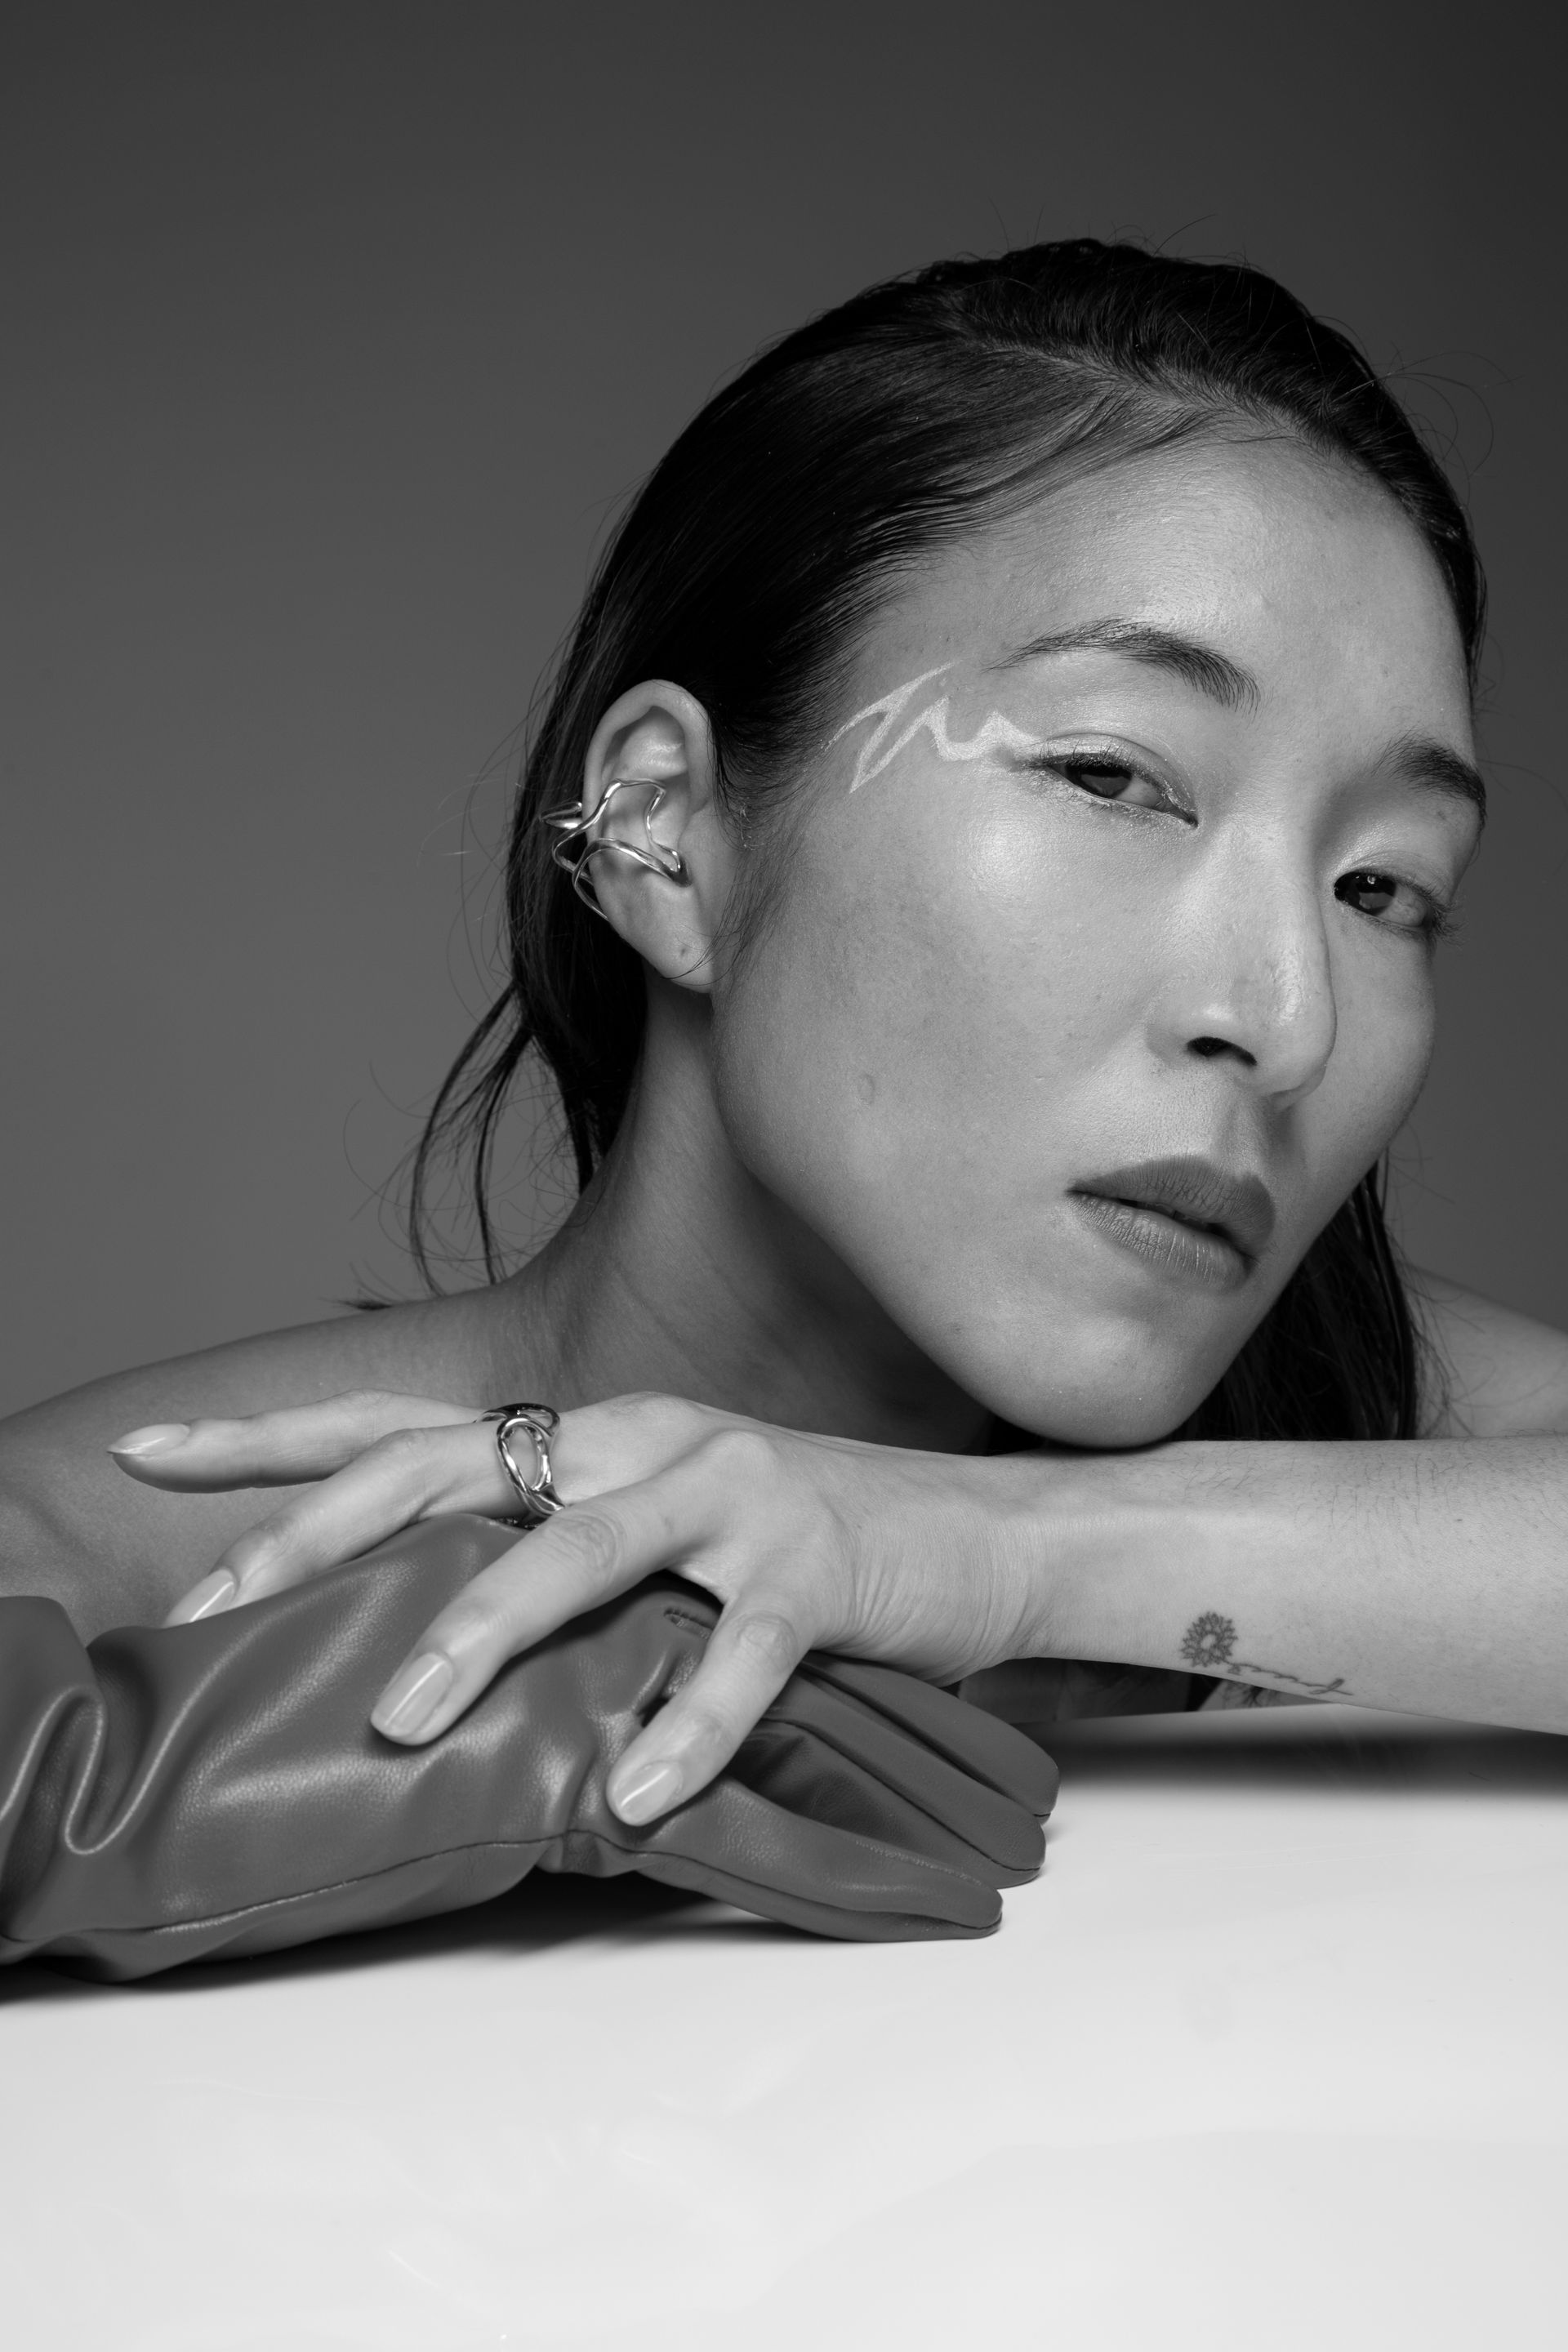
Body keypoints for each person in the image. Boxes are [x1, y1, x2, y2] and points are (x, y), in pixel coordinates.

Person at [3, 240, 1566, 1842]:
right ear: (664, 832)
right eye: (1113, 777)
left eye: (1385, 888)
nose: (1287, 1020)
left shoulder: (1375, 1433)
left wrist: (993, 1547)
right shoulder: (95, 1594)